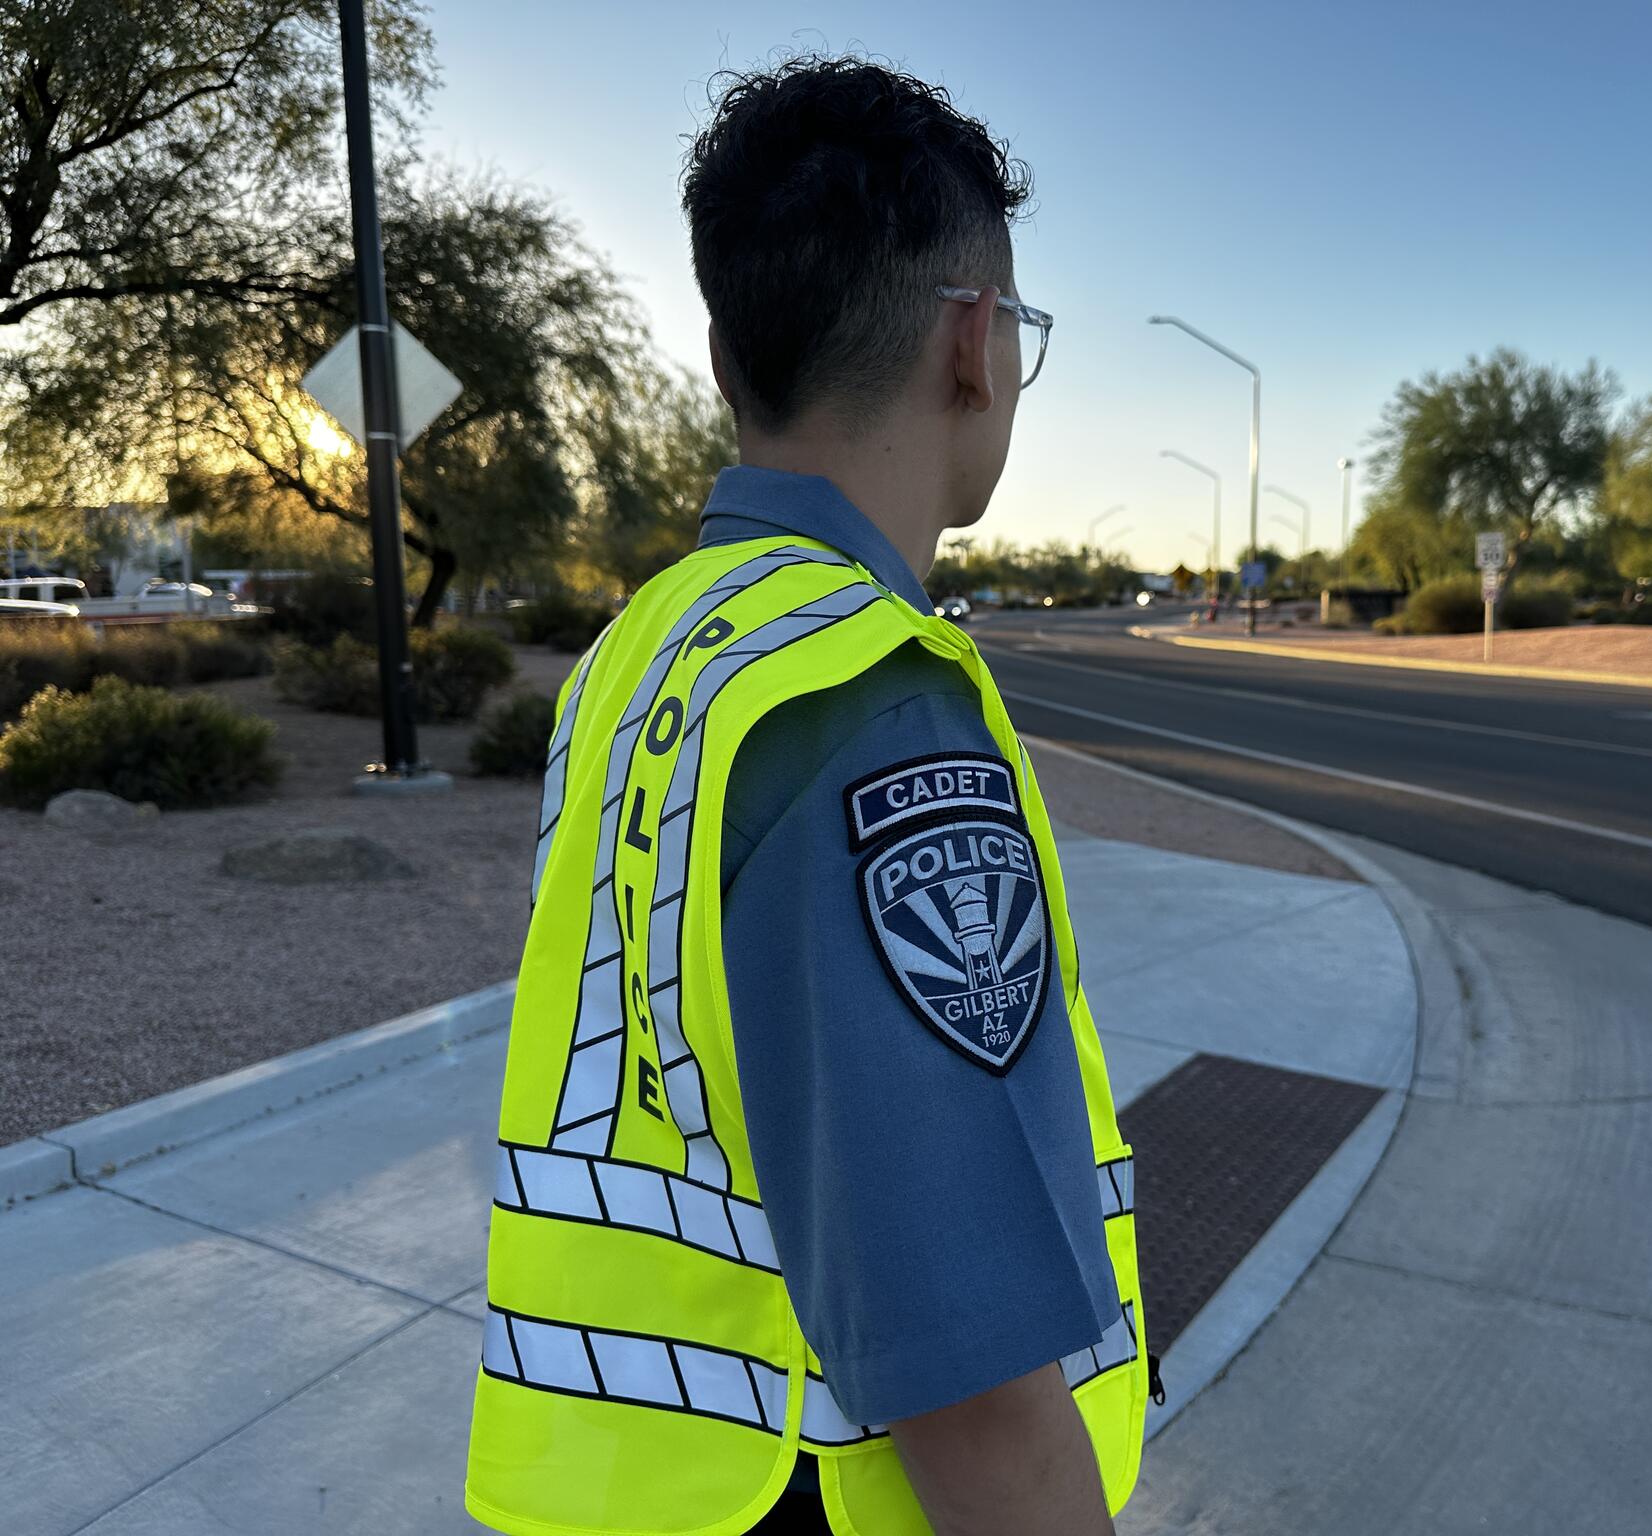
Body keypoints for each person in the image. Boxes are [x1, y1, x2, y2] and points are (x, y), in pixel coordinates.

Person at [465, 56, 1150, 1536]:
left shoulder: (646, 647)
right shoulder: (868, 704)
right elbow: (968, 1371)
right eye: (1016, 328)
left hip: (637, 1490)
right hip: (808, 1497)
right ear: (976, 346)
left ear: (728, 362)